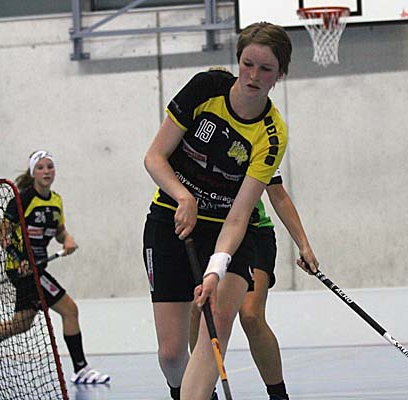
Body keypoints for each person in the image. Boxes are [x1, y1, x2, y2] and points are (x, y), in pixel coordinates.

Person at [142, 22, 293, 400]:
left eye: (266, 69)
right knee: (171, 354)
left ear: (280, 74)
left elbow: (240, 216)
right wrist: (184, 197)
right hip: (172, 221)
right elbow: (154, 157)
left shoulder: (272, 134)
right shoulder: (205, 89)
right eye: (248, 64)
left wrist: (216, 269)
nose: (254, 76)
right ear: (238, 61)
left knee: (216, 329)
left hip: (229, 232)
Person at [0, 150, 110, 385]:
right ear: (33, 172)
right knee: (70, 310)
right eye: (40, 167)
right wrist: (20, 259)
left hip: (38, 268)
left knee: (21, 323)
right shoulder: (22, 200)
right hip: (22, 270)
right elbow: (2, 235)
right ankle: (81, 369)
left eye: (50, 166)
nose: (46, 171)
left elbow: (59, 231)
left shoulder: (55, 200)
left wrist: (67, 239)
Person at [190, 167, 319, 400]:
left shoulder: (259, 145)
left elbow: (278, 195)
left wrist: (304, 245)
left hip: (254, 231)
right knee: (197, 309)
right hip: (207, 230)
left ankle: (278, 395)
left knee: (251, 315)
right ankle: (204, 393)